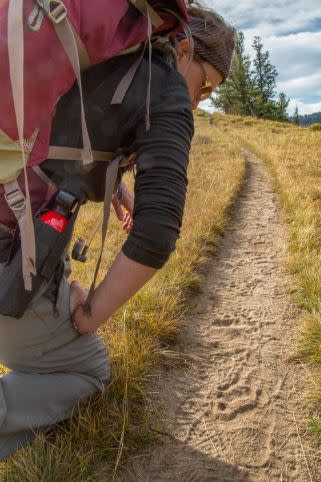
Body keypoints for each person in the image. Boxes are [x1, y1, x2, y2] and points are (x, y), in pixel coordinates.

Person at [0, 2, 235, 459]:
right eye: (204, 85)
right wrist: (91, 315)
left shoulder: (95, 56)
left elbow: (53, 143)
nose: (196, 101)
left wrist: (114, 189)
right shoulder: (165, 86)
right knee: (90, 373)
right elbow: (157, 233)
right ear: (183, 48)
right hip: (9, 272)